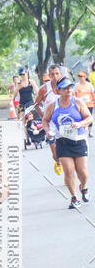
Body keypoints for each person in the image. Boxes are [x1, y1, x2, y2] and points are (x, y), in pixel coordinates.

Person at [43, 78, 93, 208]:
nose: (69, 90)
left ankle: (84, 186)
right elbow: (45, 120)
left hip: (79, 140)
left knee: (83, 172)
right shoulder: (53, 106)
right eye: (65, 88)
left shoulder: (77, 102)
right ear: (58, 90)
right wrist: (48, 131)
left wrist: (80, 124)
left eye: (70, 87)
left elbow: (89, 117)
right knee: (68, 171)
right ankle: (74, 197)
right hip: (63, 142)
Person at [35, 65, 63, 173]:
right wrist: (44, 118)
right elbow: (36, 105)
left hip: (64, 124)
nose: (55, 76)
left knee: (68, 153)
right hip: (51, 126)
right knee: (56, 155)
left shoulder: (66, 87)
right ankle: (58, 161)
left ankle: (69, 171)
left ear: (60, 74)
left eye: (57, 73)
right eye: (52, 74)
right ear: (49, 75)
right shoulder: (44, 89)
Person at [74, 71, 95, 138]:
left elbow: (93, 94)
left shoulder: (89, 85)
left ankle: (90, 131)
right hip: (80, 105)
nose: (80, 78)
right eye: (79, 76)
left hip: (89, 104)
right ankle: (83, 130)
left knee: (89, 117)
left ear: (85, 77)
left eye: (82, 76)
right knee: (81, 118)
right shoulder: (76, 85)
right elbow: (74, 95)